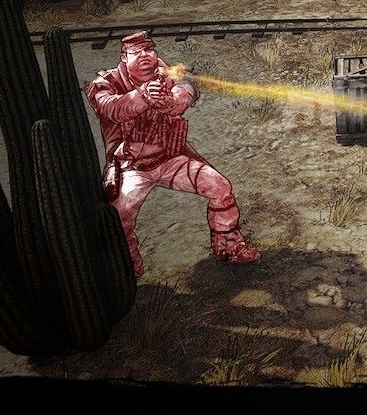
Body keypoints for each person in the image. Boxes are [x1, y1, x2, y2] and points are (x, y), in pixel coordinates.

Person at [86, 31, 260, 277]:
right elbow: (110, 108)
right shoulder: (106, 82)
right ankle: (129, 269)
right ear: (124, 57)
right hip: (131, 167)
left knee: (219, 187)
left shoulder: (165, 73)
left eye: (149, 50)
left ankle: (230, 247)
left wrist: (173, 101)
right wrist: (143, 96)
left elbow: (188, 89)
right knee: (118, 219)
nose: (145, 56)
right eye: (137, 52)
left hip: (169, 159)